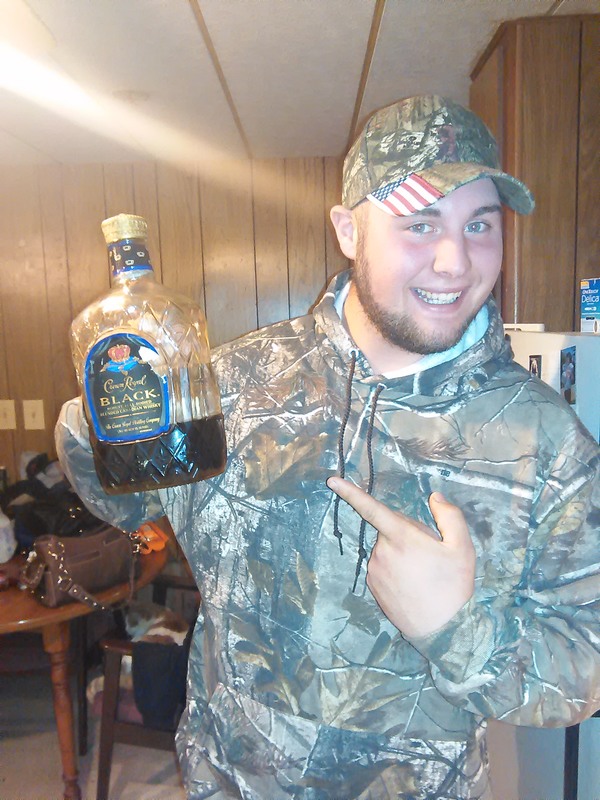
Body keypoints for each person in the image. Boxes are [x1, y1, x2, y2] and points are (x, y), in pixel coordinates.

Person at [56, 95, 600, 799]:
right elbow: (131, 507)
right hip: (228, 782)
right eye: (420, 223)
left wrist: (457, 630)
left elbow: (586, 664)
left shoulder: (546, 440)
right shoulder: (232, 385)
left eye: (480, 225)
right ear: (348, 230)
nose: (454, 261)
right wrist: (91, 429)